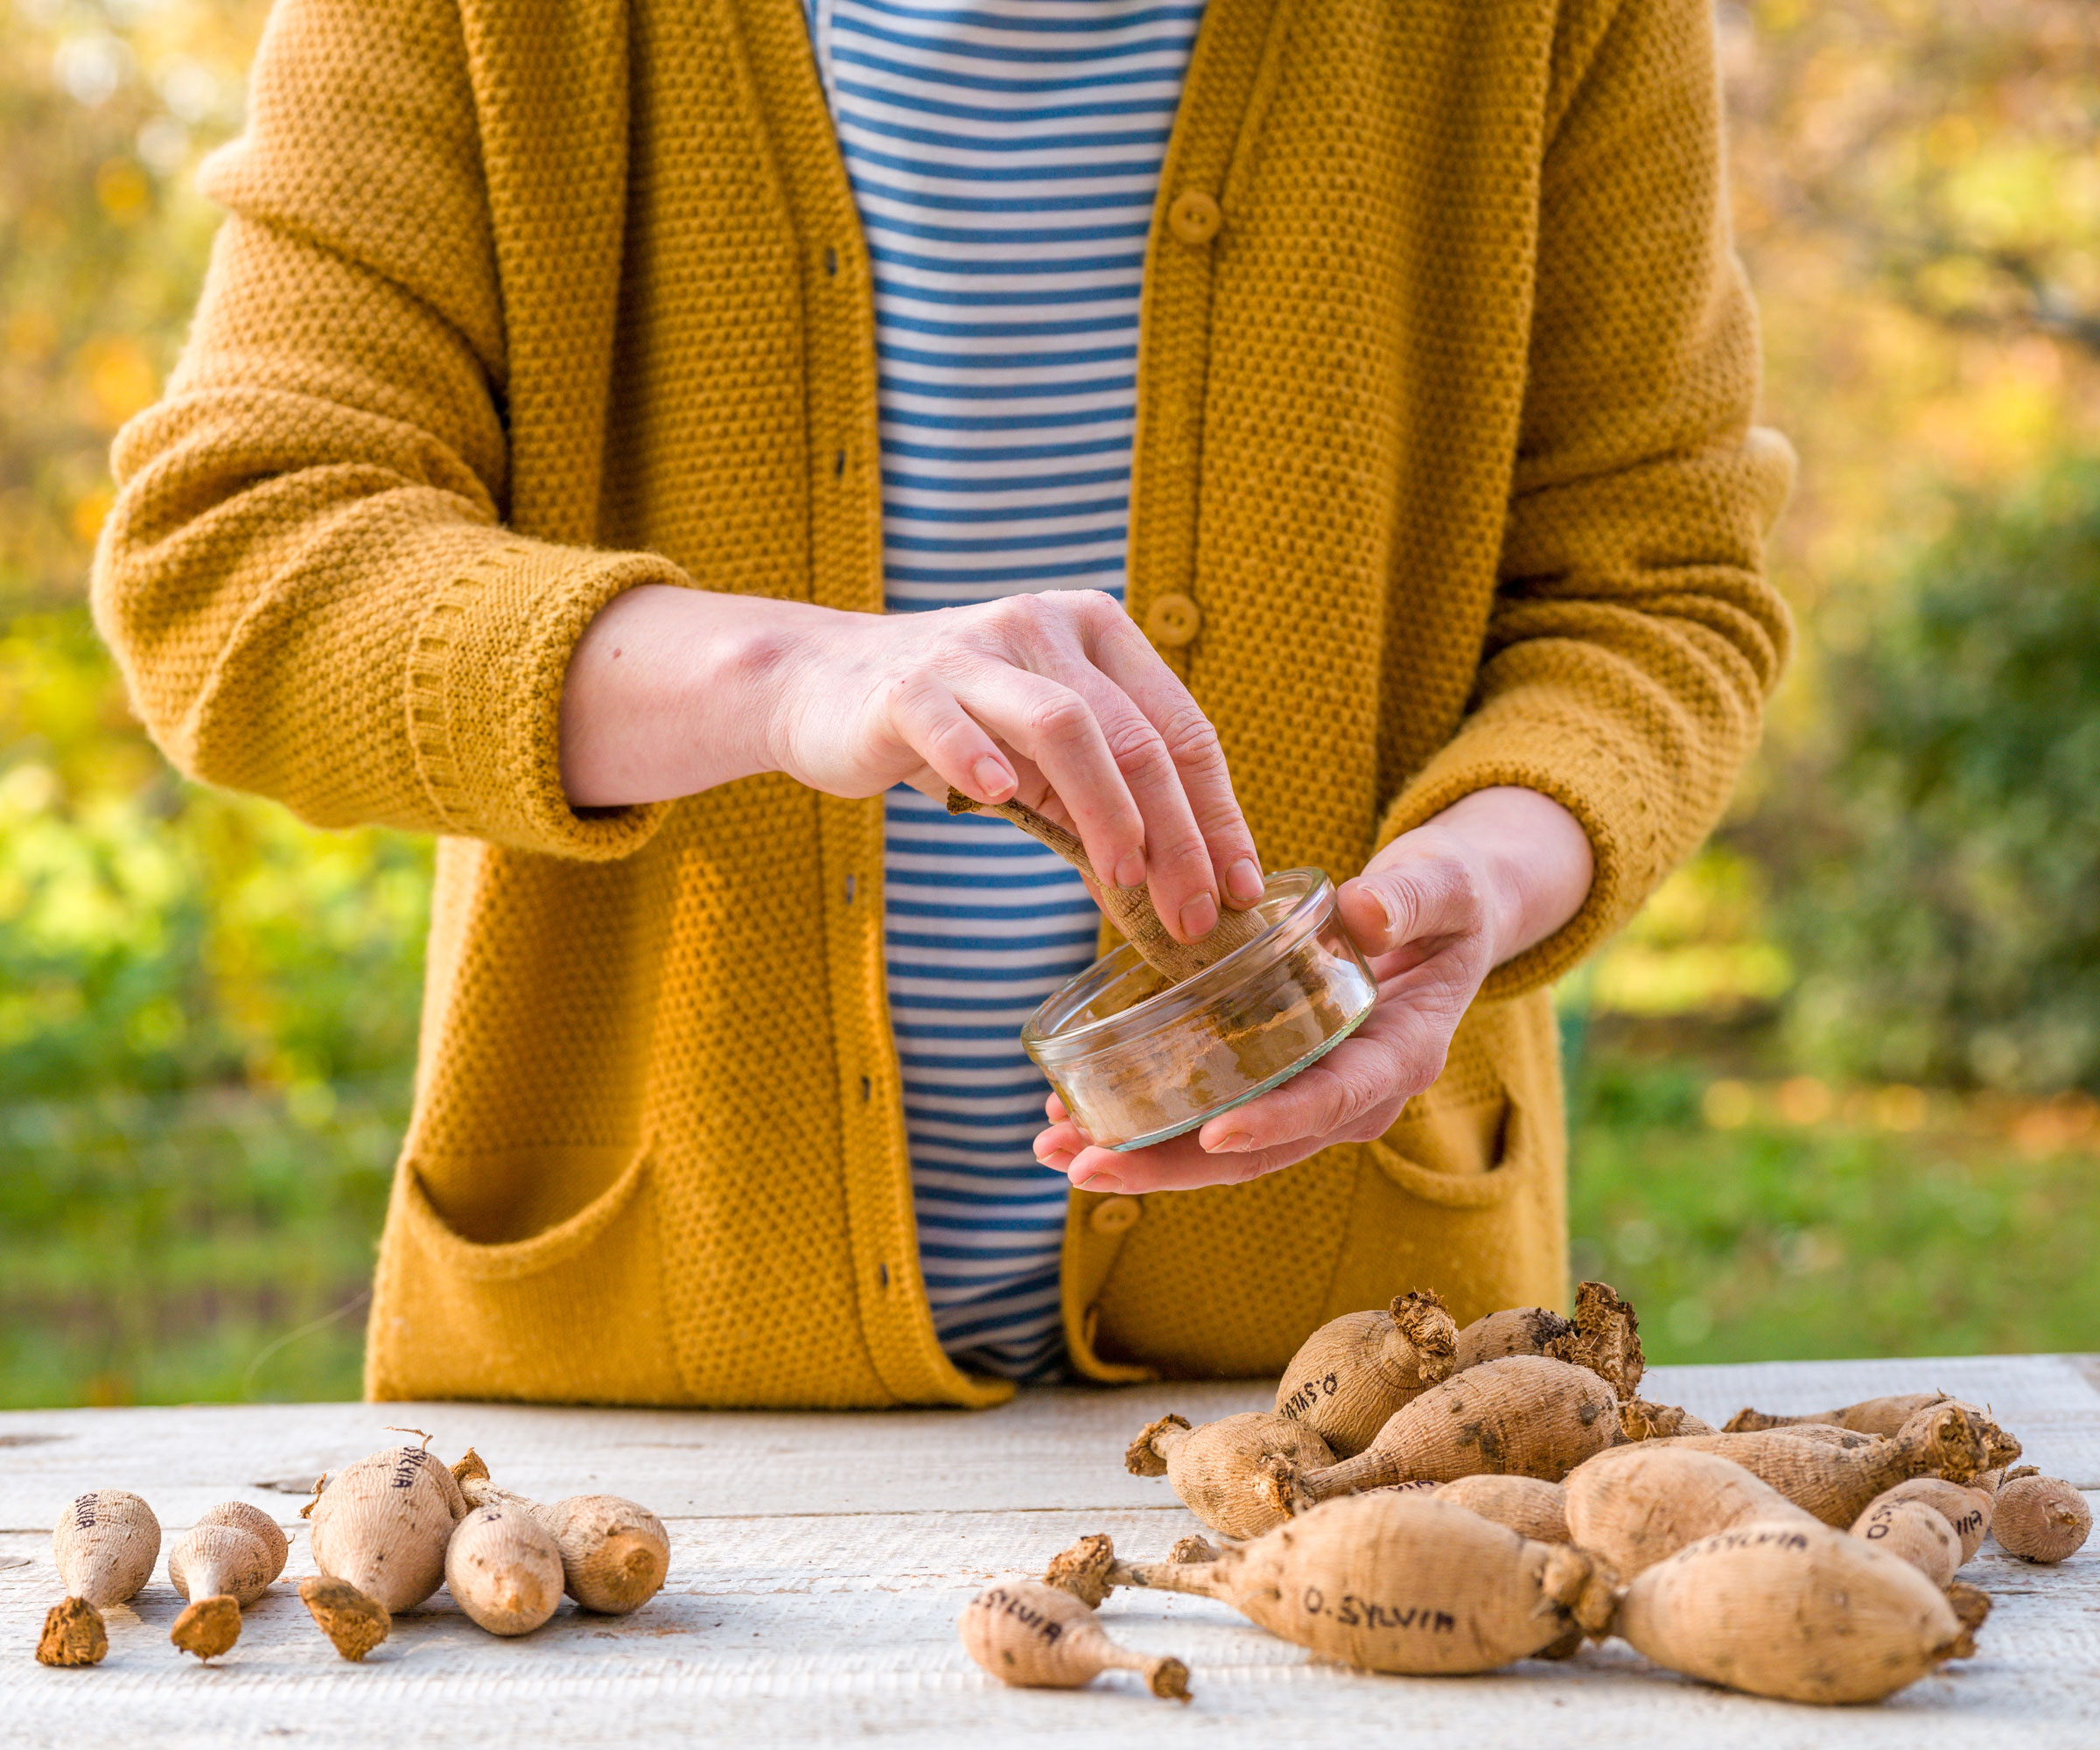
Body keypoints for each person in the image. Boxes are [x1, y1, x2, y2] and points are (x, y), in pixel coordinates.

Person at [93, 0, 1791, 1408]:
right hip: (653, 1426)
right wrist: (782, 671)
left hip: (1360, 1394)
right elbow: (232, 560)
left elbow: (1657, 591)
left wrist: (1493, 873)